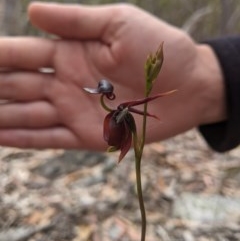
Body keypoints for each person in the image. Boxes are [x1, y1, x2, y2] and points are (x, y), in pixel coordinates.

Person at [0, 2, 239, 152]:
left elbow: (141, 107)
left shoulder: (120, 108)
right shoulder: (116, 107)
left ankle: (123, 148)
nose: (107, 97)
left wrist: (201, 72)